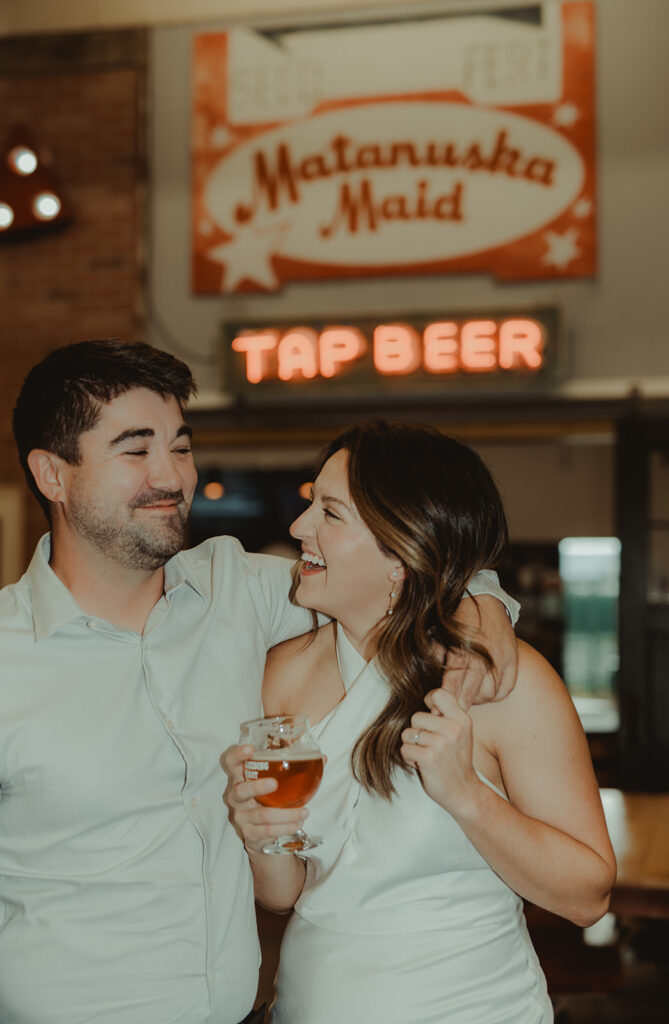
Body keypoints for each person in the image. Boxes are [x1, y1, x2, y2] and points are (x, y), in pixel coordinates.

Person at [1, 341, 519, 1024]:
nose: (172, 476)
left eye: (180, 447)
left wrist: (480, 605)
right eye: (135, 450)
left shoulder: (240, 591)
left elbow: (396, 570)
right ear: (52, 474)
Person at [223, 420, 617, 1024]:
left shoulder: (498, 683)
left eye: (330, 514)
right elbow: (285, 894)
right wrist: (258, 830)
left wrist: (467, 797)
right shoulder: (280, 675)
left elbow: (588, 896)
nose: (299, 528)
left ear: (400, 552)